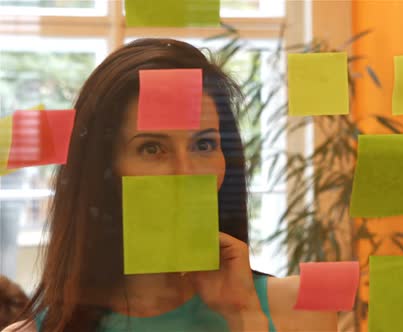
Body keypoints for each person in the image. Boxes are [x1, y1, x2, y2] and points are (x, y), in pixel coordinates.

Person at [3, 38, 337, 332]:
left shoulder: (302, 309)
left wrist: (246, 318)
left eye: (204, 145)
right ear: (104, 170)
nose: (186, 171)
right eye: (151, 148)